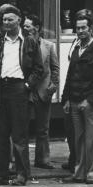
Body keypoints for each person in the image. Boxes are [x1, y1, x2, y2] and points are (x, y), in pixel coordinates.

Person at [0, 4, 43, 187]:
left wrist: (27, 85)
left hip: (19, 89)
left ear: (19, 20)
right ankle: (1, 174)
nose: (6, 23)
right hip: (0, 88)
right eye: (4, 20)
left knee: (19, 136)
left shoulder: (29, 41)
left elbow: (38, 69)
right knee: (0, 135)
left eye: (10, 19)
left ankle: (22, 174)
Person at [61, 9, 93, 185]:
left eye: (83, 28)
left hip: (89, 103)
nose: (80, 31)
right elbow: (69, 75)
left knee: (92, 139)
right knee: (78, 139)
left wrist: (90, 101)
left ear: (90, 29)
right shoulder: (76, 50)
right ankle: (80, 172)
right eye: (77, 28)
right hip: (74, 100)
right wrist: (65, 99)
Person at [22, 13, 59, 170]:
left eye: (27, 26)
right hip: (26, 91)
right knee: (22, 127)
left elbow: (55, 67)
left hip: (43, 91)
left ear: (36, 28)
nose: (25, 29)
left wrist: (53, 86)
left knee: (42, 128)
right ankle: (21, 160)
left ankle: (42, 159)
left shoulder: (49, 46)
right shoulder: (21, 44)